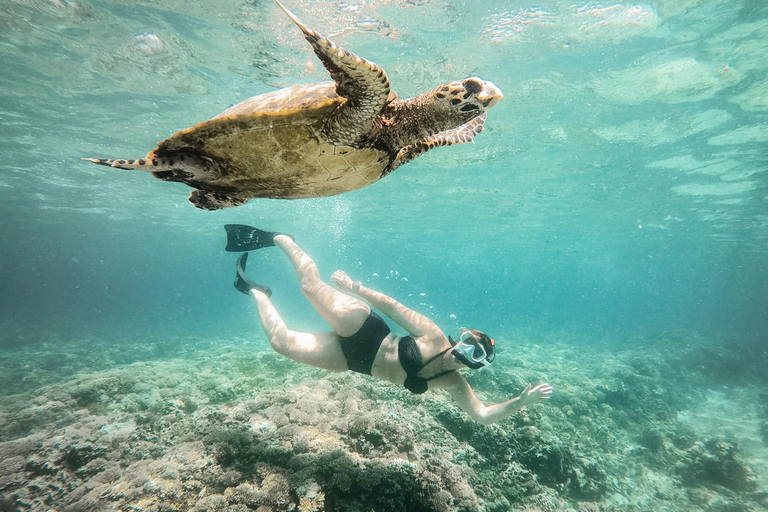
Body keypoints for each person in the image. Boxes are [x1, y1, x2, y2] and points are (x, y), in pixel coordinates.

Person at [225, 225, 552, 425]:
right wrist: (354, 288)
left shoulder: (453, 383)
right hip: (362, 326)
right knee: (310, 286)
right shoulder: (434, 335)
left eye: (475, 355)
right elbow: (394, 308)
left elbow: (482, 414)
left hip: (352, 362)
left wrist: (520, 403)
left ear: (476, 365)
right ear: (462, 337)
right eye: (469, 343)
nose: (465, 353)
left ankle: (256, 291)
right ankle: (283, 239)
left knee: (280, 342)